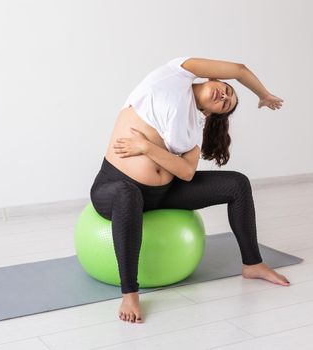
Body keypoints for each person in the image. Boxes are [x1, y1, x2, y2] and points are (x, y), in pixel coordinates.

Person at [89, 56, 287, 324]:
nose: (224, 96)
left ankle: (253, 264)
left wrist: (147, 148)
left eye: (225, 104)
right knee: (128, 194)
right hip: (114, 188)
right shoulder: (175, 74)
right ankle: (130, 293)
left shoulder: (196, 127)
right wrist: (263, 95)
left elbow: (185, 172)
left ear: (212, 113)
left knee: (237, 183)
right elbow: (239, 70)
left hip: (163, 193)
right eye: (226, 90)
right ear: (213, 78)